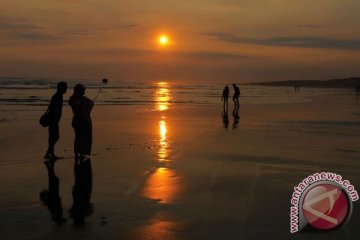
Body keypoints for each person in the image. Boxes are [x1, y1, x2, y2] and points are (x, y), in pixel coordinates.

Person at [68, 84, 94, 162]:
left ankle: (82, 153)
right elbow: (76, 107)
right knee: (78, 137)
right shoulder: (73, 99)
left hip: (83, 120)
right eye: (82, 91)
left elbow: (90, 103)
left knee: (84, 137)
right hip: (79, 120)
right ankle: (77, 153)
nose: (83, 93)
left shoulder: (82, 98)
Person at [44, 81, 67, 160]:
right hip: (53, 119)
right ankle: (48, 153)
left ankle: (51, 154)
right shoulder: (58, 96)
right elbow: (55, 109)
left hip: (53, 119)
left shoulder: (57, 95)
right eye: (65, 87)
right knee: (55, 137)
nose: (66, 89)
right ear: (61, 88)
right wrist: (56, 119)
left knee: (52, 137)